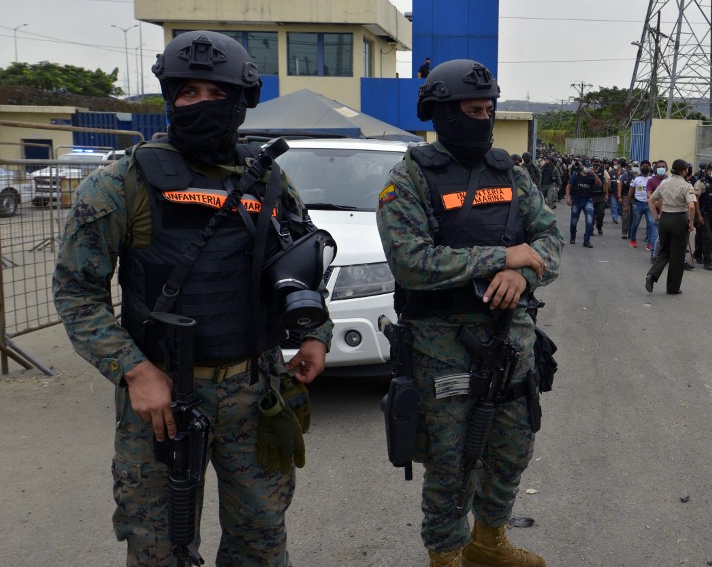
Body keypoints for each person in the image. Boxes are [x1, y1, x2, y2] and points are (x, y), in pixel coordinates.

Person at [52, 30, 334, 565]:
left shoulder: (271, 180)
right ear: (170, 100)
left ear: (241, 103)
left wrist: (314, 337)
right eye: (188, 93)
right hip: (162, 400)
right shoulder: (121, 183)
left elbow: (303, 263)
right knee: (160, 547)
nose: (201, 104)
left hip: (254, 391)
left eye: (215, 93)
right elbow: (76, 293)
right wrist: (135, 371)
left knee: (261, 542)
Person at [376, 59, 562, 566]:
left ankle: (488, 542)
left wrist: (523, 274)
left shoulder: (510, 173)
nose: (483, 118)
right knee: (450, 463)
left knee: (510, 452)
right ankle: (446, 555)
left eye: (488, 109)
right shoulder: (409, 178)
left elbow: (550, 238)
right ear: (440, 113)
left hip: (510, 344)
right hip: (443, 351)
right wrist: (501, 257)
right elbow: (412, 262)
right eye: (471, 110)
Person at [646, 159, 696, 294]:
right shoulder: (686, 185)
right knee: (677, 256)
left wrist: (655, 216)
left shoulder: (664, 182)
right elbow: (691, 206)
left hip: (665, 218)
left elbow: (651, 199)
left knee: (664, 251)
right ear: (683, 170)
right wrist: (691, 223)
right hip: (679, 219)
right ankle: (673, 288)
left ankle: (652, 275)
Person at [566, 159, 601, 247]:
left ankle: (586, 241)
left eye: (589, 167)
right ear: (582, 166)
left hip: (587, 200)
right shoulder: (576, 175)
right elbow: (568, 186)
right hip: (577, 200)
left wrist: (594, 174)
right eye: (586, 167)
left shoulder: (591, 175)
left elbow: (599, 184)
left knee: (589, 221)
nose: (587, 169)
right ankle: (573, 236)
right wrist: (567, 198)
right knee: (574, 221)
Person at [628, 160, 656, 251]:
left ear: (650, 168)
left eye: (647, 166)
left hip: (649, 204)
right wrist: (627, 204)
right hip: (637, 204)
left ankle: (650, 243)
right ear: (640, 168)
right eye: (643, 166)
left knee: (651, 224)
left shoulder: (652, 179)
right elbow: (630, 192)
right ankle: (632, 240)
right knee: (635, 223)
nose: (645, 168)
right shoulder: (636, 179)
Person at [591, 159, 610, 236]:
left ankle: (599, 227)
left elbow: (606, 184)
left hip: (600, 196)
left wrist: (606, 195)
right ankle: (590, 229)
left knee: (601, 213)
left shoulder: (603, 171)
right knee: (591, 214)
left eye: (597, 162)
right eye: (594, 162)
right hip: (591, 196)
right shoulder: (589, 170)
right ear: (592, 163)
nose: (596, 164)